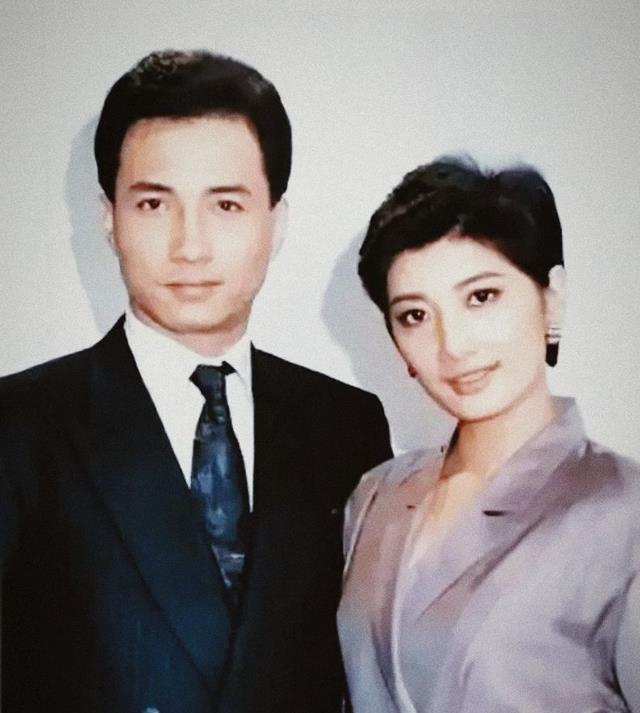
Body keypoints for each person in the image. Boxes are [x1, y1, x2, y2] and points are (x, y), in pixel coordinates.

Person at [0, 49, 392, 713]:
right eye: (154, 203)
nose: (190, 246)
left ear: (276, 221)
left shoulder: (345, 425)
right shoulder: (18, 426)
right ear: (108, 218)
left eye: (227, 205)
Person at [338, 156, 640, 712]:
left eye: (481, 297)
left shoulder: (625, 513)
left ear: (551, 298)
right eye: (415, 315)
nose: (452, 345)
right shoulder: (376, 497)